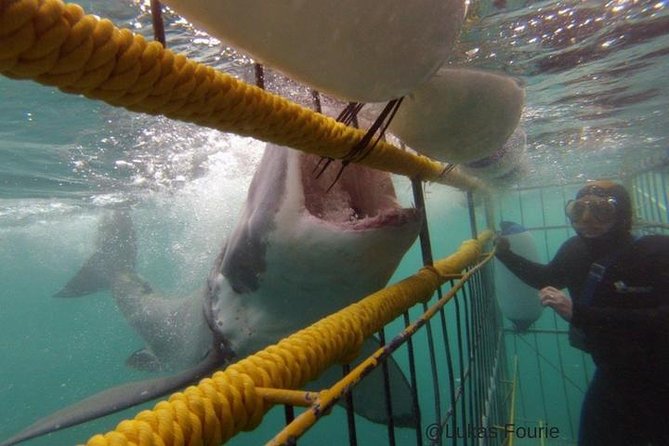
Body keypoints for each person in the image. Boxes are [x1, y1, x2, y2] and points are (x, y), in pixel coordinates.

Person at [494, 180, 669, 445]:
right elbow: (548, 278)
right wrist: (506, 255)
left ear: (623, 214)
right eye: (578, 210)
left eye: (601, 210)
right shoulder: (574, 250)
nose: (587, 219)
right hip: (612, 373)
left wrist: (581, 314)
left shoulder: (656, 252)